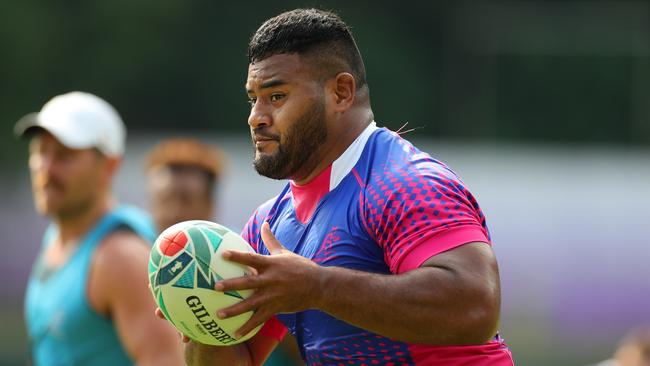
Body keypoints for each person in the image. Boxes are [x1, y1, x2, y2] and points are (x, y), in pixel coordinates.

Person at [176, 8, 515, 365]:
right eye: (253, 98)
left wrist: (319, 287)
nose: (256, 117)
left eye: (276, 97)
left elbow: (476, 307)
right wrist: (200, 325)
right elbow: (239, 360)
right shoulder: (269, 225)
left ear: (341, 92)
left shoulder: (405, 182)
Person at [15, 91, 184, 365]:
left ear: (109, 165)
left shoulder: (120, 256)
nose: (46, 168)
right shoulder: (58, 237)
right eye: (39, 151)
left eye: (64, 156)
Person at [145, 138, 304, 366]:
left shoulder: (253, 264)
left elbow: (304, 345)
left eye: (185, 199)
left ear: (210, 204)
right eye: (163, 200)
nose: (172, 211)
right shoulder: (158, 271)